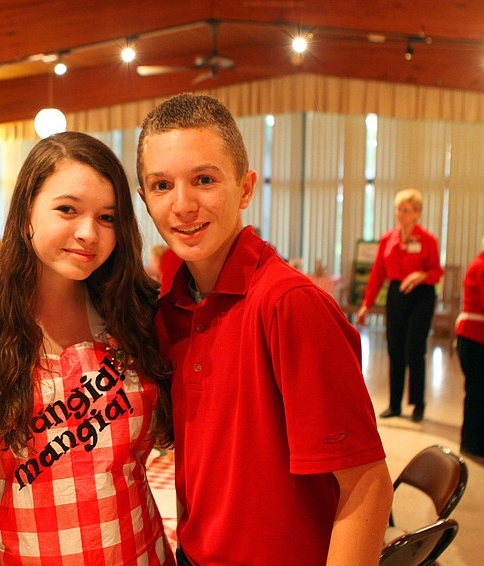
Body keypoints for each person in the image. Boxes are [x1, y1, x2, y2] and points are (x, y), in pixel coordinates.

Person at [136, 93, 392, 565]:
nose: (183, 204)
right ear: (144, 200)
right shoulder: (170, 309)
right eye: (161, 185)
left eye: (205, 180)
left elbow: (367, 485)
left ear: (245, 188)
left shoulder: (288, 305)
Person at [0, 131, 175, 564]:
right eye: (67, 209)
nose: (88, 233)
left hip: (136, 550)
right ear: (27, 209)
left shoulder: (137, 314)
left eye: (107, 218)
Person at [356, 188, 444, 423]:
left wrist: (421, 275)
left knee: (414, 350)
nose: (400, 214)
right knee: (395, 349)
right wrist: (367, 304)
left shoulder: (428, 240)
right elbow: (377, 274)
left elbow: (437, 271)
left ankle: (418, 404)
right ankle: (394, 404)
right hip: (397, 294)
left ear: (417, 213)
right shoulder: (388, 239)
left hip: (421, 296)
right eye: (398, 209)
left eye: (405, 210)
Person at [456, 234, 484, 459]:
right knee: (477, 392)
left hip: (476, 336)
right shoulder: (479, 266)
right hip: (475, 337)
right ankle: (472, 445)